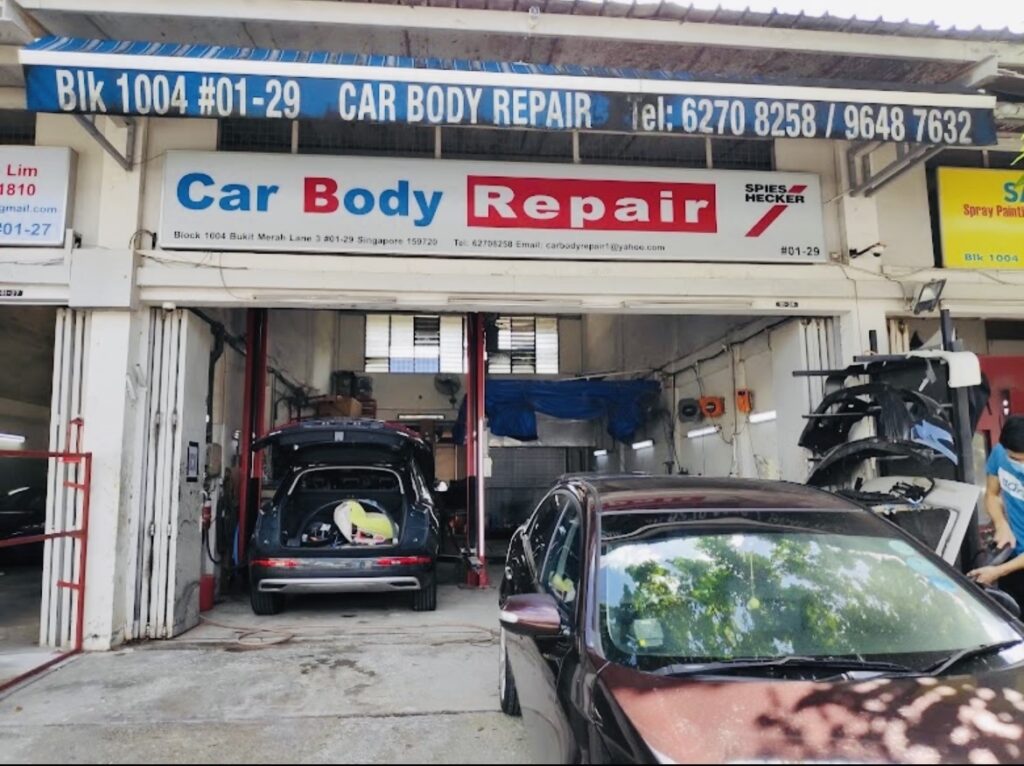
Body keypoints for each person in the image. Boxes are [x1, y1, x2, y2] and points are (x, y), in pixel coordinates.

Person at [969, 415, 1024, 609]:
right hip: (1012, 553)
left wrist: (998, 571)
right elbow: (991, 494)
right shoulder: (1001, 453)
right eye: (1013, 458)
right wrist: (1001, 524)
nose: (1018, 464)